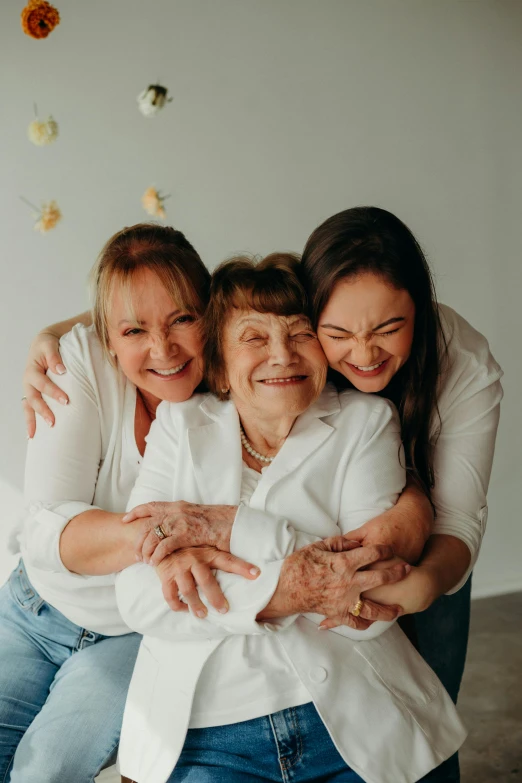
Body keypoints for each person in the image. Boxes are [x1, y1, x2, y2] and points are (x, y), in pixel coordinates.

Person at [114, 254, 466, 783]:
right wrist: (294, 590)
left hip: (354, 716)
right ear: (220, 364)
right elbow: (138, 597)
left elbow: (369, 602)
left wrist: (227, 529)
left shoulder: (365, 423)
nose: (281, 355)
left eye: (300, 334)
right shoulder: (178, 426)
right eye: (253, 338)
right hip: (207, 734)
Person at [0, 224, 263, 782]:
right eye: (134, 330)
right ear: (108, 335)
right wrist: (167, 535)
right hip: (33, 611)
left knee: (46, 770)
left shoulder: (245, 379)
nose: (162, 349)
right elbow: (46, 529)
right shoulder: (82, 362)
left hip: (132, 637)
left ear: (210, 314)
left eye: (183, 320)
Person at [299, 206, 503, 781]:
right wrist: (56, 333)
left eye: (389, 329)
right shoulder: (283, 331)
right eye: (338, 334)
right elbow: (186, 315)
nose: (364, 354)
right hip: (314, 546)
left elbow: (459, 521)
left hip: (429, 557)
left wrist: (422, 586)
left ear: (421, 304)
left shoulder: (463, 363)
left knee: (428, 733)